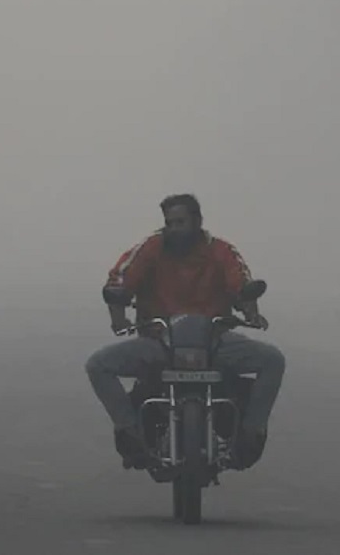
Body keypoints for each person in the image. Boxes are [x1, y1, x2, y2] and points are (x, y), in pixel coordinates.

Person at [85, 194, 285, 470]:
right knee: (98, 364)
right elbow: (120, 279)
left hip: (214, 339)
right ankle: (130, 432)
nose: (174, 229)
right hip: (159, 340)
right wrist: (118, 317)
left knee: (273, 360)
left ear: (197, 221)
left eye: (181, 222)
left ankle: (251, 434)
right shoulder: (151, 247)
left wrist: (251, 310)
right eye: (169, 223)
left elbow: (241, 282)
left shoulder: (221, 250)